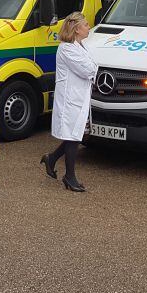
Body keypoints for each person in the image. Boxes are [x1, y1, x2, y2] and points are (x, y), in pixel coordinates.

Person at [41, 12, 97, 192]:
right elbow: (87, 70)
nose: (89, 27)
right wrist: (92, 69)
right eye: (86, 24)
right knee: (73, 136)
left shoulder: (79, 46)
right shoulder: (67, 49)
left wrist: (92, 69)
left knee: (74, 134)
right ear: (76, 29)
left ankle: (51, 158)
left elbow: (91, 68)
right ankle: (69, 176)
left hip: (78, 96)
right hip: (70, 98)